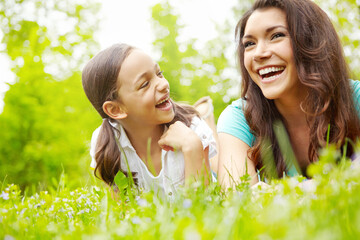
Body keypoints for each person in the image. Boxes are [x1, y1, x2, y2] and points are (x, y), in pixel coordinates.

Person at [217, 0, 360, 188]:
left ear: (311, 41)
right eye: (249, 43)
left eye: (276, 35)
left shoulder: (354, 99)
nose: (259, 53)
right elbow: (237, 198)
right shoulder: (239, 118)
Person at [82, 43, 217, 196]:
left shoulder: (192, 128)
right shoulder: (105, 143)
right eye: (145, 84)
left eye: (159, 73)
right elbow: (124, 213)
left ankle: (204, 112)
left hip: (196, 137)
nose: (163, 84)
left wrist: (192, 146)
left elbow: (203, 207)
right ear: (116, 109)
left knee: (221, 164)